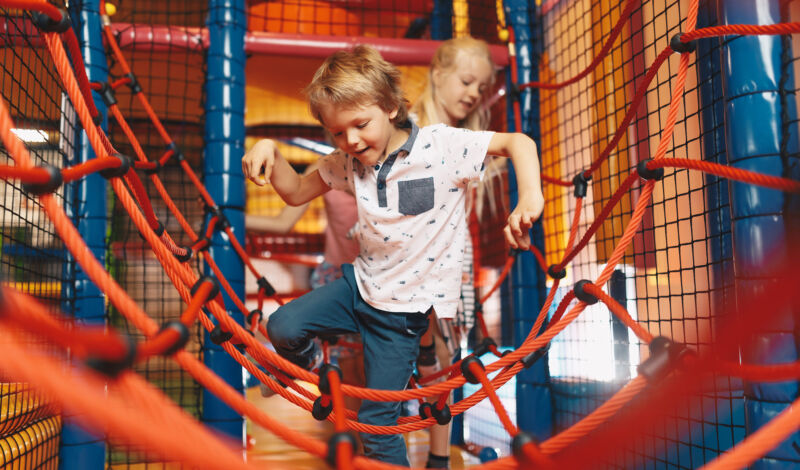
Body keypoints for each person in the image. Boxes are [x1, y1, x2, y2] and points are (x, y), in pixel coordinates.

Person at [241, 45, 543, 466]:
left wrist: (529, 196)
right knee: (283, 326)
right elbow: (294, 193)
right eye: (337, 133)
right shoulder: (348, 162)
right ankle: (306, 363)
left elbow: (518, 142)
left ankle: (432, 436)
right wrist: (271, 152)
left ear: (389, 106)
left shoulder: (441, 145)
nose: (350, 140)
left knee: (379, 425)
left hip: (403, 315)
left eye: (360, 125)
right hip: (358, 286)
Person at [409, 36, 499, 469]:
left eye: (479, 89)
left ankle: (439, 458)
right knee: (394, 352)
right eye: (466, 81)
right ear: (439, 75)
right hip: (405, 254)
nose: (472, 94)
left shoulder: (468, 140)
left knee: (445, 360)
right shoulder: (407, 128)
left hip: (449, 260)